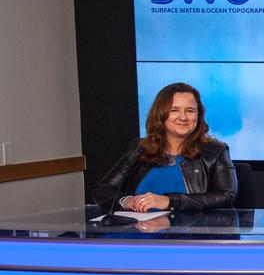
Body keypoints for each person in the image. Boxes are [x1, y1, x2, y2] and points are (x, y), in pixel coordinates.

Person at [92, 82, 237, 212]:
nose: (183, 117)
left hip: (190, 231)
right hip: (138, 230)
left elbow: (227, 196)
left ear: (198, 115)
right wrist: (126, 201)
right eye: (174, 110)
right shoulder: (140, 148)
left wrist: (169, 201)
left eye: (190, 110)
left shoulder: (215, 151)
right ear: (160, 114)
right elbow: (102, 190)